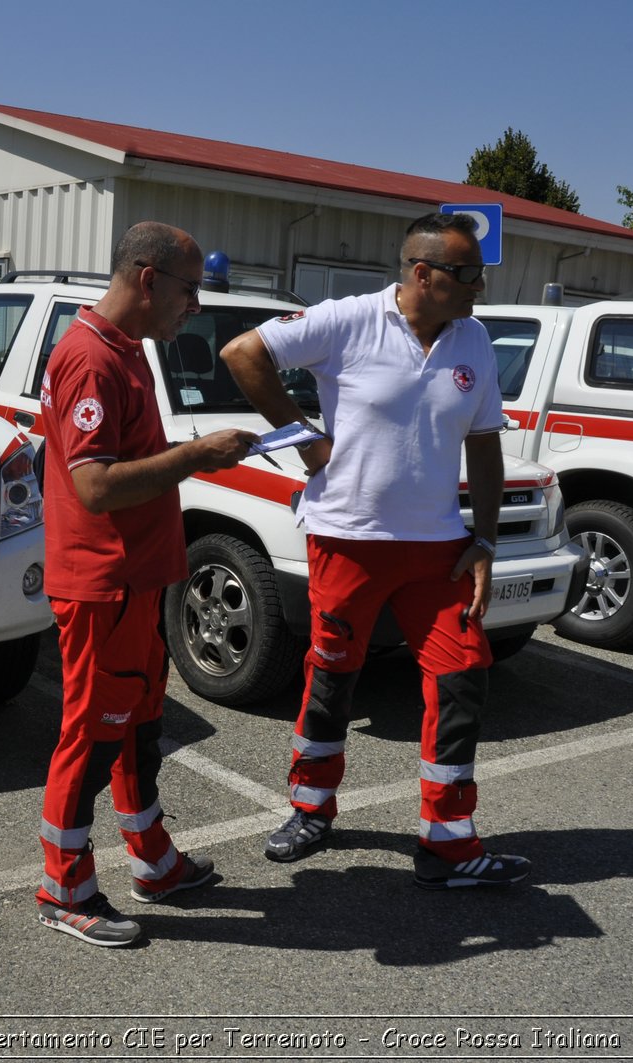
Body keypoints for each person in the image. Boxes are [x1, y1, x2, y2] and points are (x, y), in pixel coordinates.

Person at [219, 212, 530, 890]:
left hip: (439, 549)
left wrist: (484, 538)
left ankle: (447, 840)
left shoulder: (472, 338)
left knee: (462, 674)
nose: (480, 285)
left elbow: (483, 443)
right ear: (424, 275)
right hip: (348, 540)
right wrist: (302, 435)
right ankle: (309, 807)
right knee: (332, 672)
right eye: (469, 274)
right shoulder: (350, 320)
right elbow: (244, 352)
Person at [36, 222, 260, 947]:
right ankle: (63, 885)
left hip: (136, 582)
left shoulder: (127, 352)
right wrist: (196, 455)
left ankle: (153, 860)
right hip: (103, 585)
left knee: (136, 731)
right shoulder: (90, 359)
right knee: (91, 737)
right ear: (148, 278)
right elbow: (95, 486)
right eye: (191, 289)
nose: (194, 305)